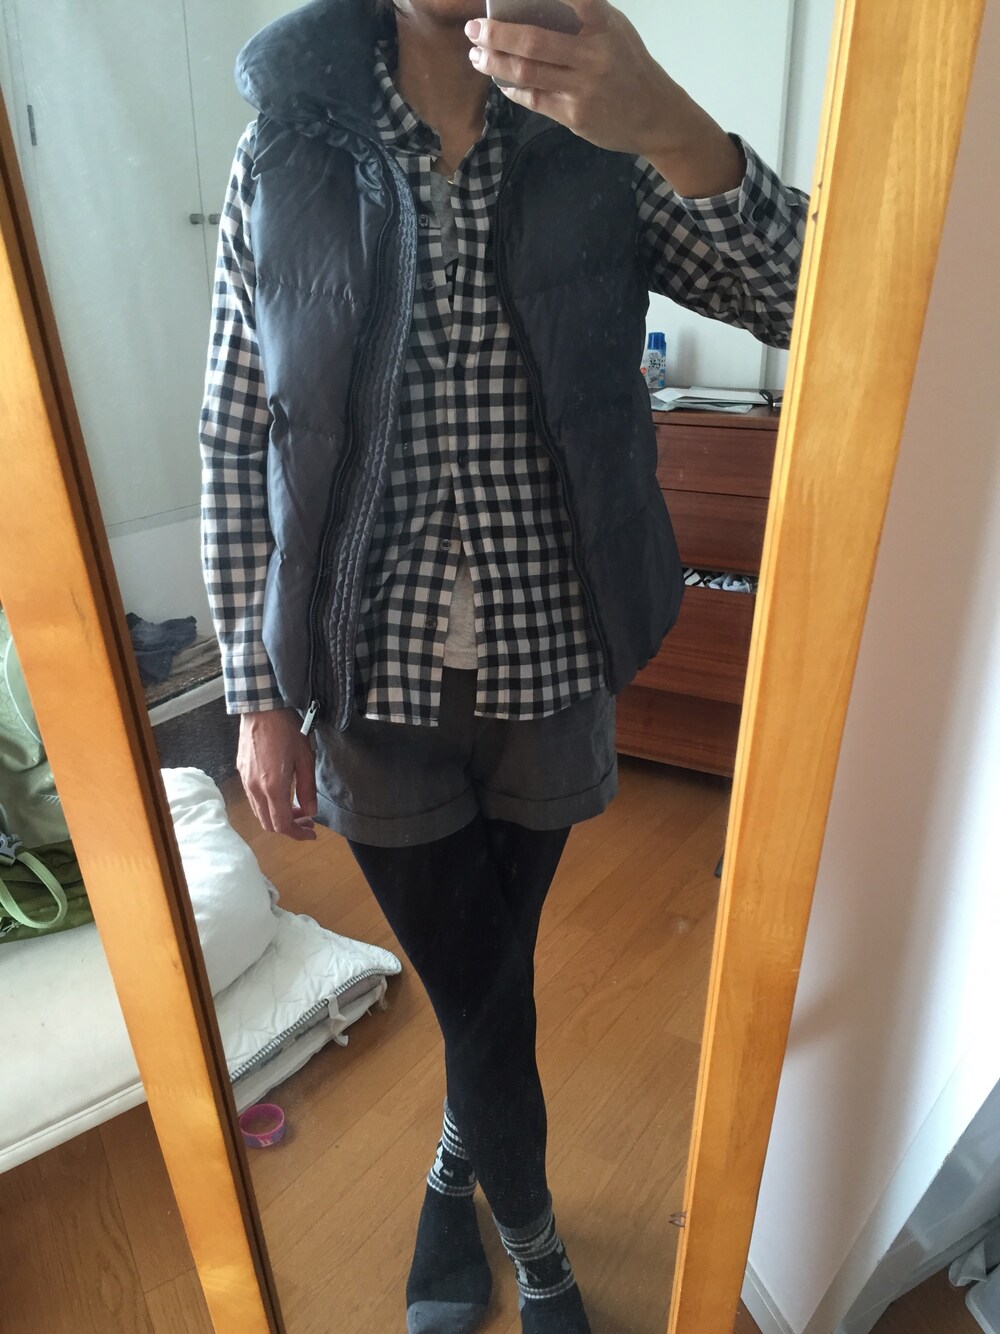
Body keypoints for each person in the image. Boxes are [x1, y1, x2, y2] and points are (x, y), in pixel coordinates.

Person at [199, 0, 807, 1329]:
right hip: (364, 672)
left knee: (489, 982)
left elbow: (815, 302)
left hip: (556, 653)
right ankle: (539, 1254)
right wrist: (254, 689)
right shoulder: (285, 149)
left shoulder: (599, 136)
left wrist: (672, 124)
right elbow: (236, 428)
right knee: (481, 991)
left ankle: (449, 1181)